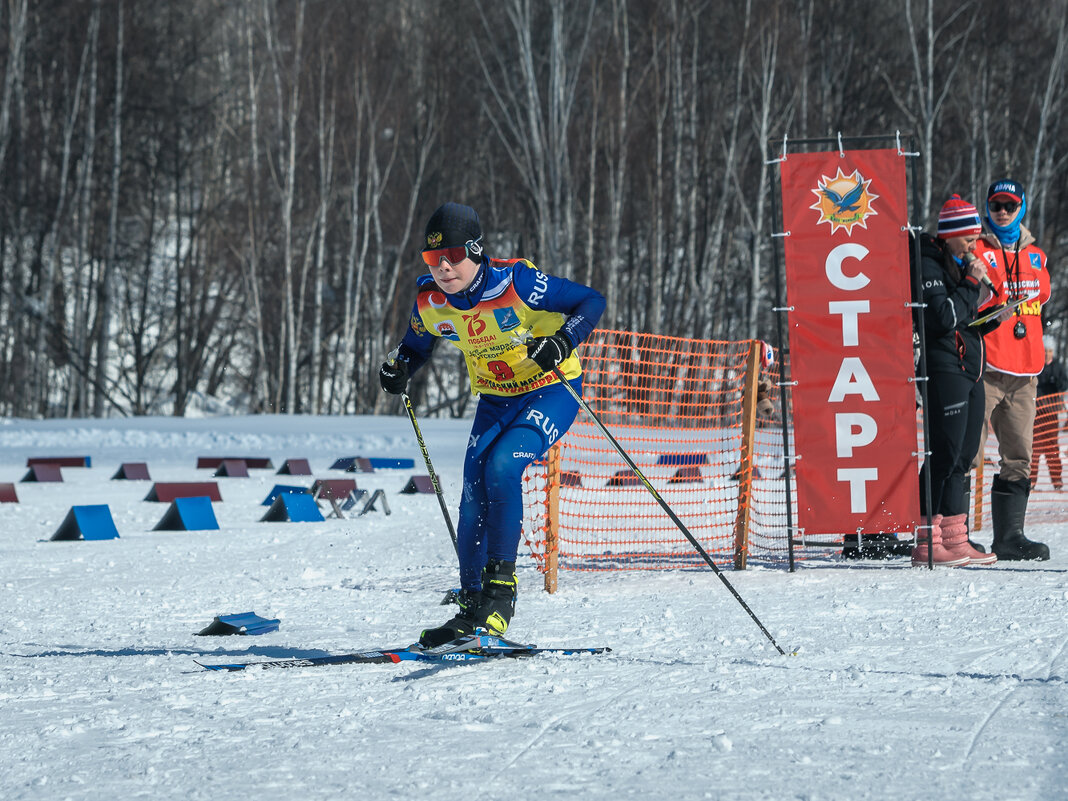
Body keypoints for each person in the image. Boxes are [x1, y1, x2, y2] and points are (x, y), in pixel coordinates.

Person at [379, 202, 605, 646]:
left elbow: (590, 300)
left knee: (503, 466)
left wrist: (563, 340)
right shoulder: (431, 301)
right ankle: (472, 605)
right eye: (432, 259)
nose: (443, 268)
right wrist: (398, 368)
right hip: (496, 399)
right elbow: (414, 347)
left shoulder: (516, 282)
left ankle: (501, 592)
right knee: (471, 494)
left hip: (551, 390)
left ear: (475, 250)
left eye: (452, 256)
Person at [912, 195, 1000, 566]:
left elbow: (963, 315)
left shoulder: (957, 262)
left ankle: (954, 538)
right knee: (943, 451)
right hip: (944, 364)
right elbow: (942, 317)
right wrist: (971, 282)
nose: (972, 245)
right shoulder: (928, 261)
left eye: (976, 238)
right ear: (950, 235)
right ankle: (926, 540)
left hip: (970, 364)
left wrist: (991, 312)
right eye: (968, 238)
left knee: (963, 455)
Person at [974, 179, 1052, 561]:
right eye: (995, 205)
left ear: (1021, 207)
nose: (1002, 211)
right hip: (986, 367)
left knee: (1019, 455)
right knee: (966, 453)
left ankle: (1009, 538)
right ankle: (945, 534)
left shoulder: (1037, 256)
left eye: (1009, 205)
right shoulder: (977, 249)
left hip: (1025, 371)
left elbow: (1042, 299)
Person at [1029, 337, 1068, 489]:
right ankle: (1031, 480)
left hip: (1051, 412)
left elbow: (1064, 383)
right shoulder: (1036, 364)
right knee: (1035, 446)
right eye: (1045, 351)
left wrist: (1058, 382)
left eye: (1050, 351)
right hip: (1037, 411)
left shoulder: (1058, 366)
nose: (1047, 354)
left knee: (1052, 446)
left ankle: (1057, 479)